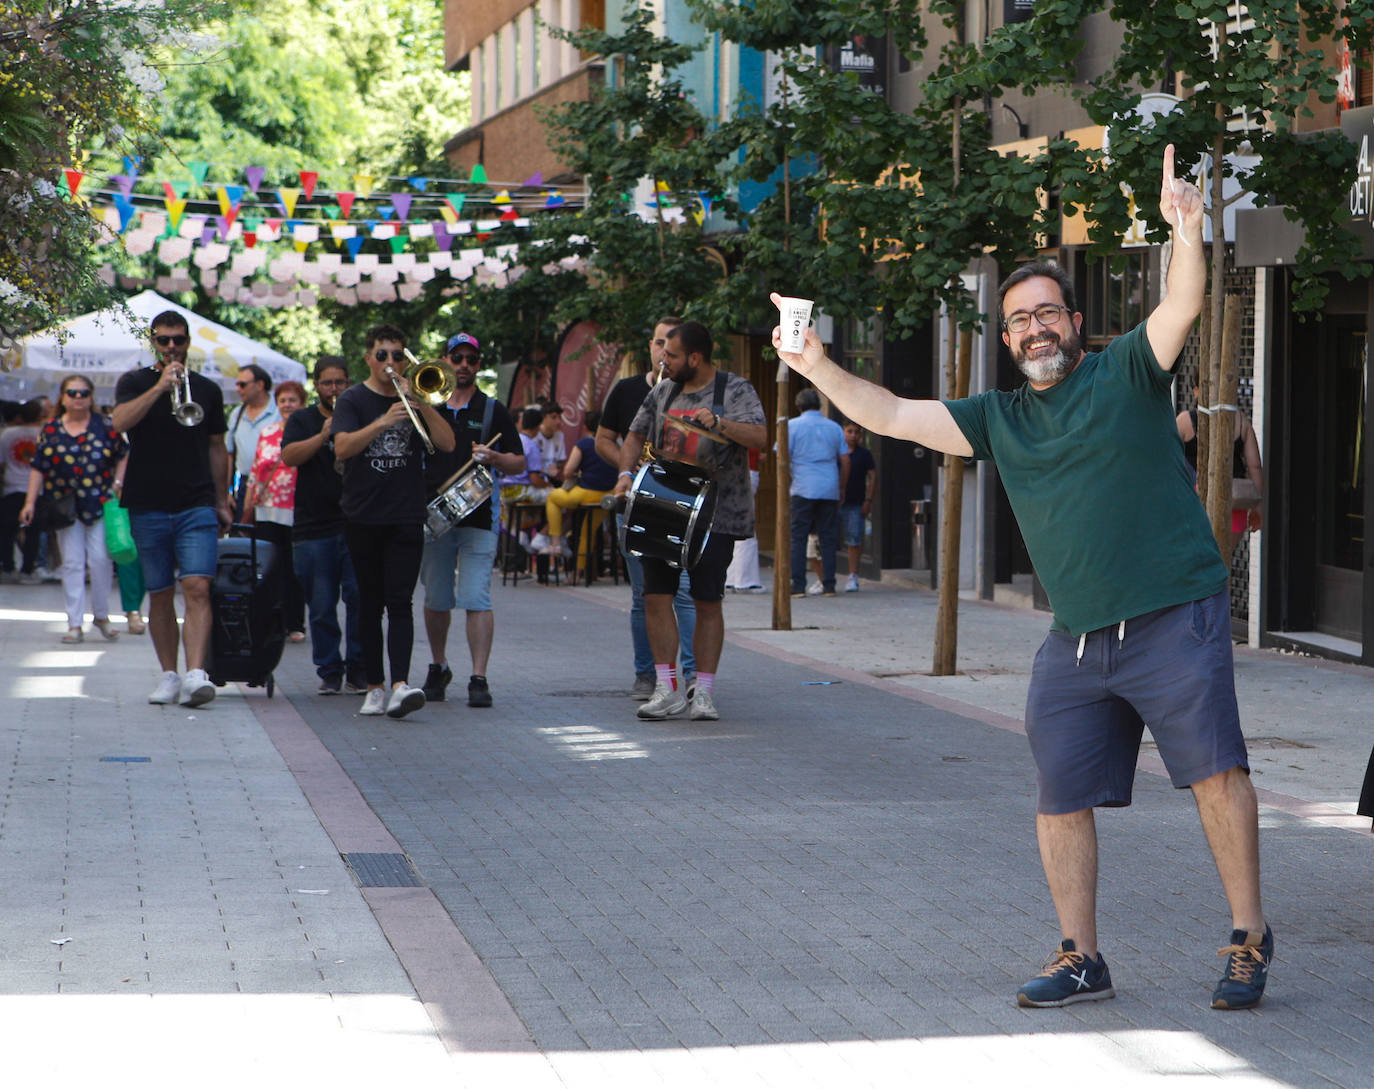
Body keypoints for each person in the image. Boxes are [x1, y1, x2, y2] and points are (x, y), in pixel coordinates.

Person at [771, 146, 1272, 1011]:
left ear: (1076, 323)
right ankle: (1082, 954)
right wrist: (814, 363)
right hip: (1075, 639)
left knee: (1215, 776)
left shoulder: (1126, 374)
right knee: (1060, 795)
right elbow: (888, 413)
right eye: (1020, 321)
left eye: (1049, 313)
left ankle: (1249, 936)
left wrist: (1186, 228)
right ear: (1005, 342)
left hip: (1172, 616)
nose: (1037, 328)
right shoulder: (997, 419)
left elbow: (1183, 301)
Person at [613, 320, 767, 721]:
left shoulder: (734, 389)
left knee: (707, 601)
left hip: (716, 513)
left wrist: (720, 424)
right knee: (655, 596)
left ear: (695, 358)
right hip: (662, 507)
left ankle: (704, 692)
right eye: (663, 350)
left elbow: (760, 438)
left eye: (673, 353)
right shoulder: (662, 391)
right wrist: (625, 475)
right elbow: (633, 435)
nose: (664, 358)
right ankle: (667, 688)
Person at [332, 324, 454, 718]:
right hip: (363, 515)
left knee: (400, 601)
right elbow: (343, 447)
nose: (390, 363)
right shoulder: (352, 399)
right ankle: (373, 686)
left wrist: (423, 402)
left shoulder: (415, 396)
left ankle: (400, 685)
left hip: (405, 514)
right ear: (368, 357)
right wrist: (384, 421)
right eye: (382, 355)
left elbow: (448, 444)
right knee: (368, 603)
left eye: (398, 355)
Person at [112, 309, 231, 707]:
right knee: (160, 593)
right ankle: (169, 674)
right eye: (163, 340)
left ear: (187, 342)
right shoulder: (135, 381)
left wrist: (222, 499)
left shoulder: (208, 391)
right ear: (153, 342)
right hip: (147, 502)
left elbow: (217, 447)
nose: (171, 347)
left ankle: (196, 674)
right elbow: (120, 422)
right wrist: (160, 388)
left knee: (197, 586)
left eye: (178, 340)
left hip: (196, 503)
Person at [418, 331, 524, 707]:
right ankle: (438, 665)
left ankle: (478, 677)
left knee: (477, 596)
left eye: (471, 359)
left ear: (479, 365)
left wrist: (495, 459)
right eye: (457, 358)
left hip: (479, 515)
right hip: (435, 515)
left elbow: (519, 461)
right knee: (436, 597)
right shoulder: (427, 403)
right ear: (446, 360)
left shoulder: (492, 408)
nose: (464, 365)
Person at [595, 317, 697, 699]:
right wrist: (627, 466)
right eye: (657, 343)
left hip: (679, 503)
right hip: (636, 501)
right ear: (650, 347)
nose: (661, 351)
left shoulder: (693, 391)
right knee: (643, 595)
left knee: (683, 591)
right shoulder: (626, 390)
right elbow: (603, 439)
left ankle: (690, 674)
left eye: (669, 345)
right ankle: (647, 674)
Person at [280, 356, 364, 695]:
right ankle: (330, 670)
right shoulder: (302, 419)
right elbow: (289, 457)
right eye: (328, 383)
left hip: (356, 524)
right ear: (316, 386)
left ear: (348, 383)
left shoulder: (359, 415)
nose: (334, 389)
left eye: (340, 382)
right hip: (313, 527)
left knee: (360, 600)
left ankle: (360, 668)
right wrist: (324, 434)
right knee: (321, 605)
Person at [19, 374, 126, 642]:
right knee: (72, 563)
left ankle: (101, 615)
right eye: (72, 393)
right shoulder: (51, 429)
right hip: (63, 506)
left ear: (91, 397)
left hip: (99, 501)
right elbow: (38, 467)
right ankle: (74, 623)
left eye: (83, 393)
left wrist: (118, 482)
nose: (78, 398)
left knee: (101, 560)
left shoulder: (105, 426)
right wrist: (30, 502)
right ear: (63, 398)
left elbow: (123, 454)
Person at [245, 379, 308, 642]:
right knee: (269, 569)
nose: (287, 405)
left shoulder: (306, 431)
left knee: (295, 570)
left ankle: (295, 623)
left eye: (292, 400)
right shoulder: (267, 431)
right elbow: (255, 472)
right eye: (283, 400)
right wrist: (248, 505)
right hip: (266, 509)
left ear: (302, 403)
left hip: (296, 508)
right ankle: (271, 621)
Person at [1176, 388, 1263, 551]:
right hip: (1234, 501)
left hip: (1193, 502)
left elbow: (1166, 457)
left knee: (1197, 563)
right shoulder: (1241, 421)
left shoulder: (1184, 421)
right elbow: (1255, 466)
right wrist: (1258, 507)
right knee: (1223, 562)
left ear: (1196, 391)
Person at [787, 388, 848, 598]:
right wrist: (841, 486)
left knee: (798, 538)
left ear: (799, 406)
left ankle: (797, 585)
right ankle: (829, 585)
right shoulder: (834, 427)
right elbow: (845, 460)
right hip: (828, 486)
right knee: (828, 538)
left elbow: (782, 457)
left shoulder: (791, 426)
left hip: (803, 486)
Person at [543, 408, 617, 574]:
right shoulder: (615, 445)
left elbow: (568, 470)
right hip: (607, 496)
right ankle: (578, 572)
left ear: (586, 427)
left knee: (553, 498)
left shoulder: (584, 444)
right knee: (587, 532)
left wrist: (578, 473)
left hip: (586, 493)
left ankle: (555, 542)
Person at [225, 363, 279, 521]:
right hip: (244, 483)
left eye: (242, 384)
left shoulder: (279, 411)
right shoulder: (237, 413)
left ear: (260, 385)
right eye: (237, 384)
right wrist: (227, 492)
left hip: (274, 483)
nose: (238, 389)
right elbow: (229, 453)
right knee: (245, 536)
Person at [0, 399, 45, 583]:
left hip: (11, 487)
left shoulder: (7, 434)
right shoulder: (43, 434)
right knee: (34, 532)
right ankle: (27, 569)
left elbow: (1, 462)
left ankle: (8, 567)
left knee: (6, 531)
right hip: (37, 490)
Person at [839, 422, 876, 592]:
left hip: (856, 502)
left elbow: (873, 476)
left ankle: (853, 575)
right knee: (828, 539)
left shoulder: (864, 454)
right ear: (843, 432)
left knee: (854, 540)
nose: (853, 435)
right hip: (835, 502)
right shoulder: (838, 451)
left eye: (857, 432)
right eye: (850, 431)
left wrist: (868, 500)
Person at [725, 448, 765, 593]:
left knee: (734, 525)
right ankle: (745, 580)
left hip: (732, 472)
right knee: (746, 527)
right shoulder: (746, 428)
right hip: (745, 471)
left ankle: (732, 578)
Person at [534, 401, 568, 486]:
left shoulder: (560, 436)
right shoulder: (535, 436)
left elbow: (562, 462)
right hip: (537, 480)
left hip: (553, 480)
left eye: (560, 418)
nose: (558, 421)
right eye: (554, 417)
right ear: (543, 418)